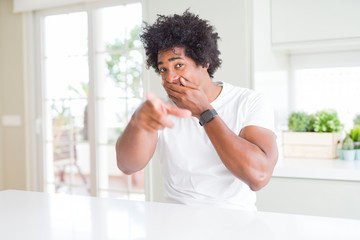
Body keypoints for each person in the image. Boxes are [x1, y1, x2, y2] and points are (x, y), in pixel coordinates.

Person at [116, 10, 278, 210]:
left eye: (179, 65)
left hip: (236, 222)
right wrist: (137, 122)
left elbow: (258, 176)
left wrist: (205, 112)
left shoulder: (249, 102)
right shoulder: (160, 111)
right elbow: (128, 166)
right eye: (163, 69)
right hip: (177, 221)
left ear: (204, 62)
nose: (169, 78)